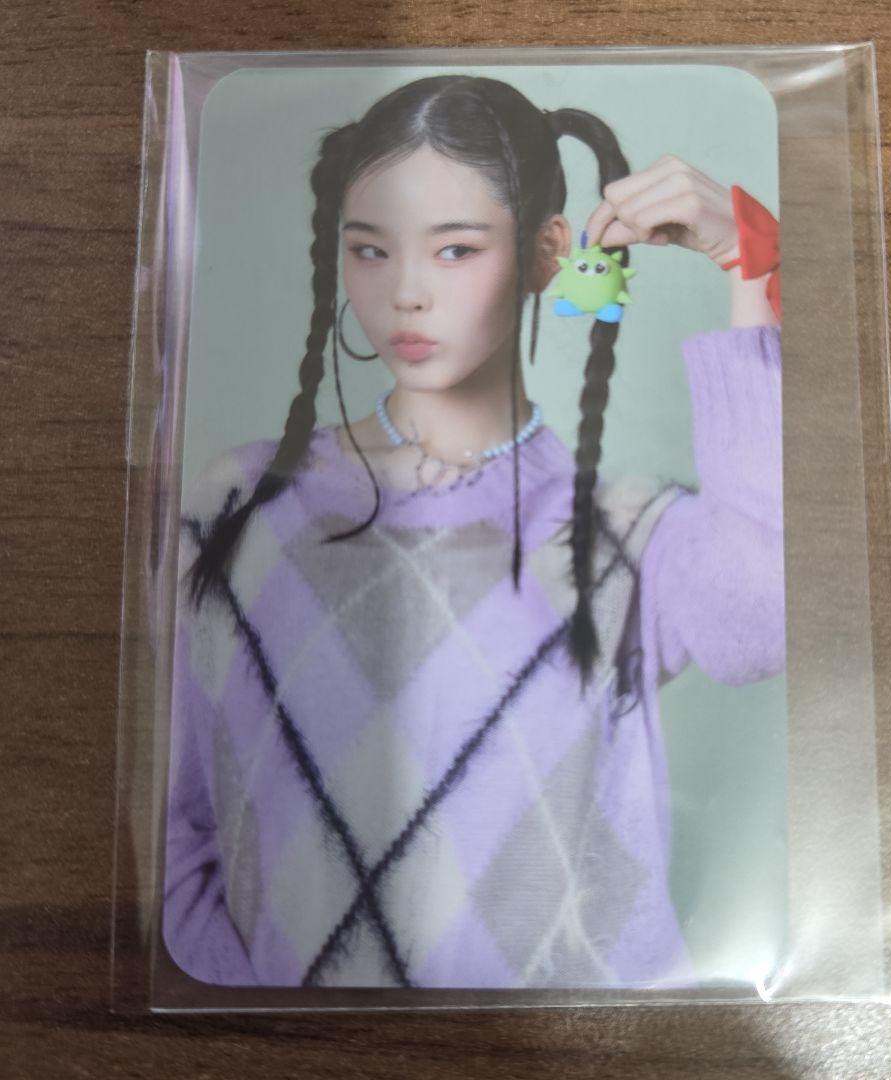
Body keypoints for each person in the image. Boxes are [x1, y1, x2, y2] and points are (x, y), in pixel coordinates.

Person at [164, 73, 784, 990]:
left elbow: (757, 624)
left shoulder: (623, 535)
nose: (405, 293)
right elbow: (179, 824)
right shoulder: (242, 502)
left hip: (579, 1049)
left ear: (547, 252)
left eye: (454, 249)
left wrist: (750, 261)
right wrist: (276, 1030)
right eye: (369, 250)